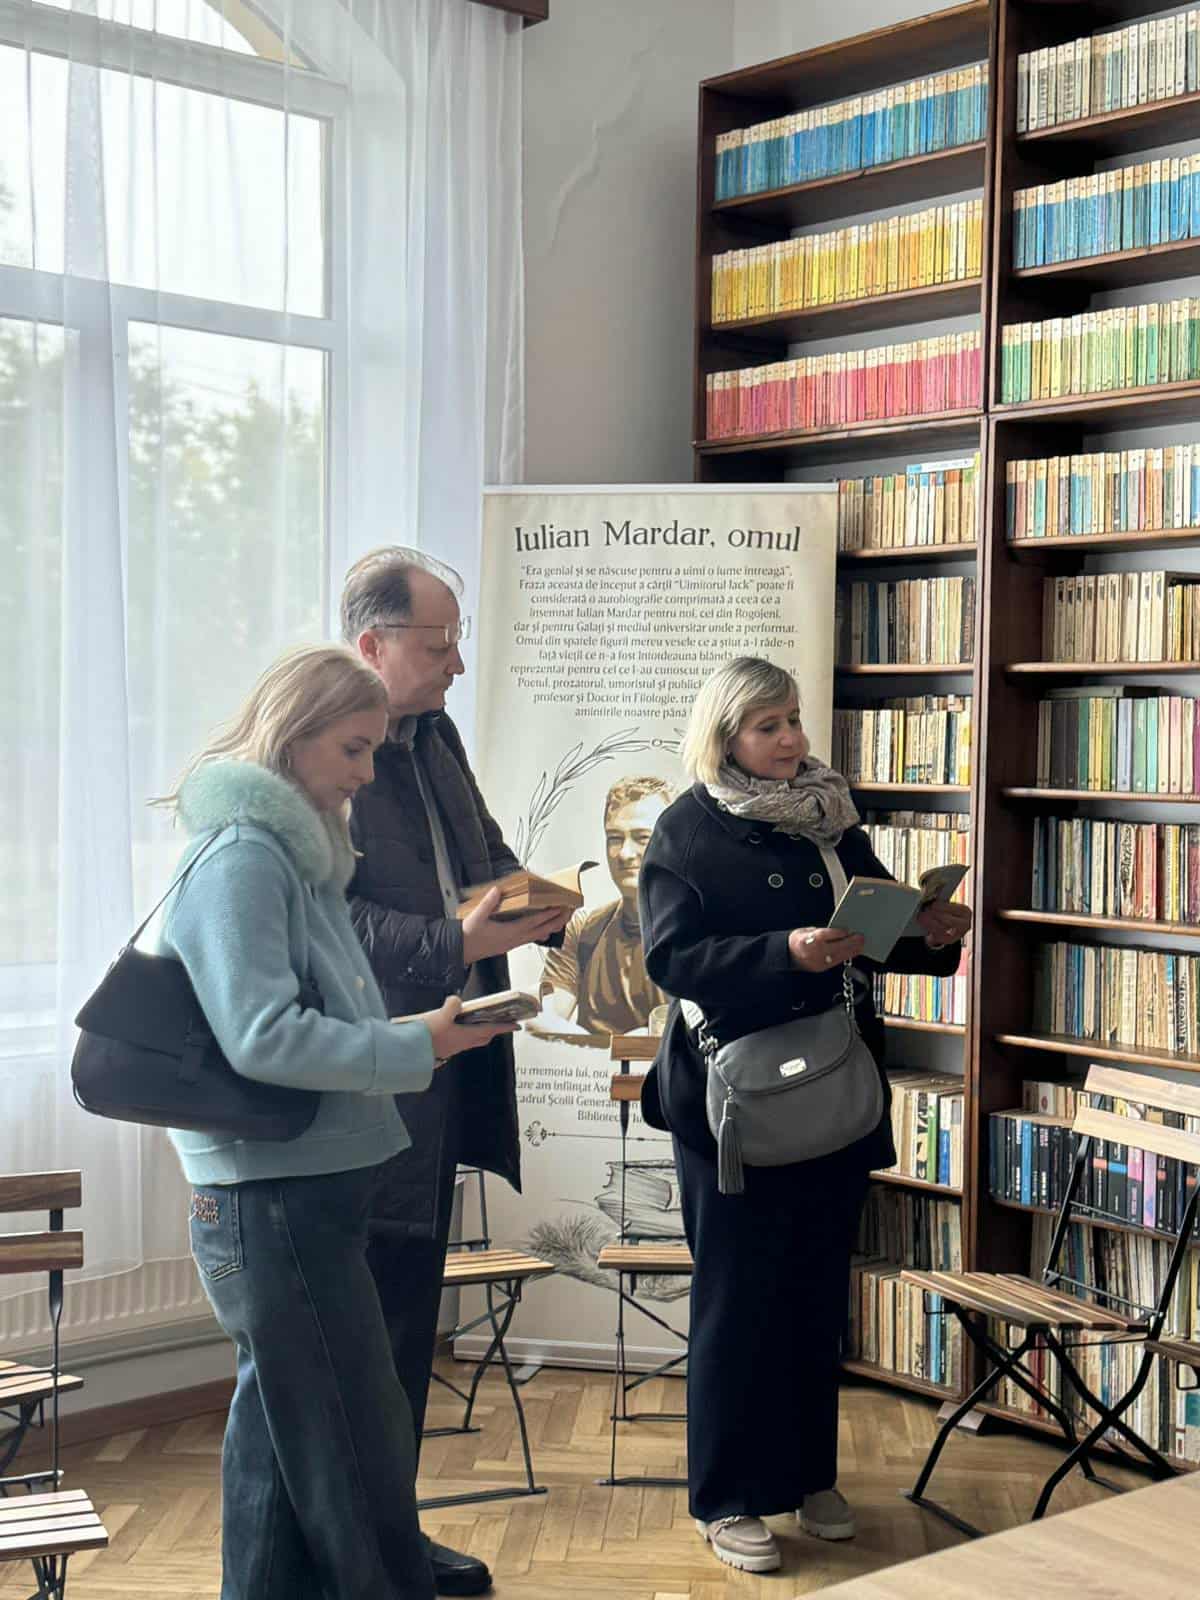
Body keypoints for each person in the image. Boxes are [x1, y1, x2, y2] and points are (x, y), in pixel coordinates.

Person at [151, 644, 517, 1600]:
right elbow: (263, 1038)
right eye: (354, 750)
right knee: (356, 1448)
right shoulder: (243, 857)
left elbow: (311, 1021)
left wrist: (422, 1038)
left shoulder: (292, 851)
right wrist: (415, 1046)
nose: (366, 773)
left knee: (286, 1446)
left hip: (298, 1181)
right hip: (271, 1191)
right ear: (293, 734)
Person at [638, 655, 971, 1576]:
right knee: (737, 1299)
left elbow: (873, 929)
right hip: (731, 1100)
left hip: (833, 1087)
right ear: (726, 736)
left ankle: (806, 1476)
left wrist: (930, 935)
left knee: (816, 1293)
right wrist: (783, 951)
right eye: (769, 726)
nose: (791, 739)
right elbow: (672, 961)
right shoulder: (686, 829)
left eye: (793, 719)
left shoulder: (831, 816)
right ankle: (726, 1497)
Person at [342, 547, 567, 1599]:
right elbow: (329, 916)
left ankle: (394, 1532)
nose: (458, 665)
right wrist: (451, 940)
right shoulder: (319, 747)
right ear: (371, 644)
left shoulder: (431, 733)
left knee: (408, 1319)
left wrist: (548, 906)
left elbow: (483, 858)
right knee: (369, 1326)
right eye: (439, 646)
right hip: (370, 1067)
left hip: (450, 1055)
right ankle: (362, 1547)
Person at [538, 774, 672, 1038]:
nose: (624, 853)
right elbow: (545, 1024)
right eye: (615, 838)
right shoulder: (581, 929)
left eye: (642, 837)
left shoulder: (702, 934)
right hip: (591, 1064)